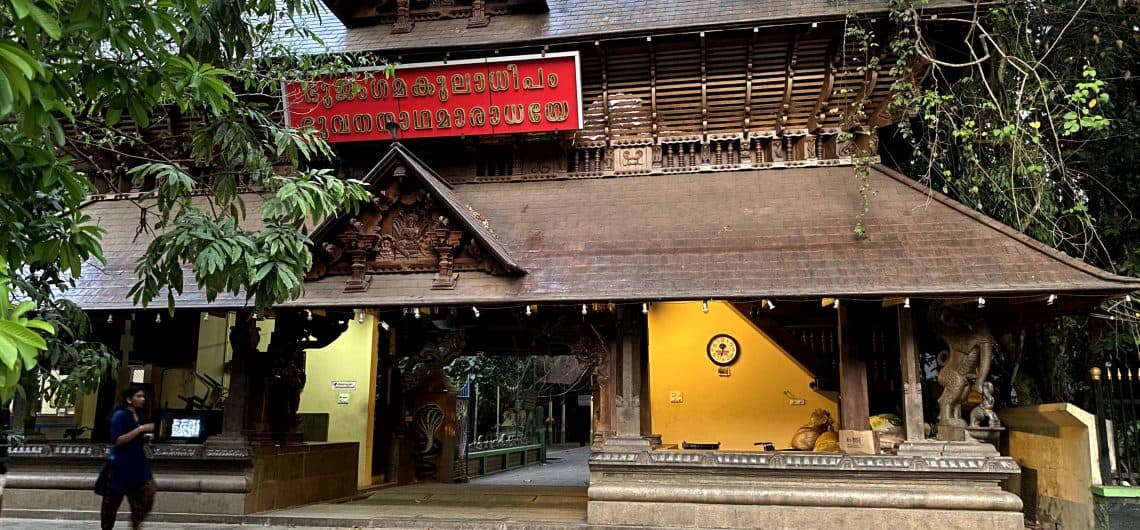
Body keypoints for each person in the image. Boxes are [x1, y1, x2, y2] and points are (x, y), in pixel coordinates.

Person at [100, 384, 157, 530]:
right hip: (120, 465)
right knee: (111, 504)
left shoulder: (139, 415)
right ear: (129, 399)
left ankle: (135, 526)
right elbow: (118, 440)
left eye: (143, 396)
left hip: (137, 463)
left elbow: (137, 436)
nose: (142, 399)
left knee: (145, 496)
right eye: (138, 396)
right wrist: (140, 429)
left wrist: (146, 436)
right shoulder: (120, 416)